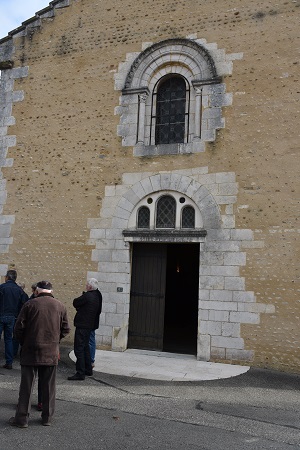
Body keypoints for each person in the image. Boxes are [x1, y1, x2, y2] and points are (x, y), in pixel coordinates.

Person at [9, 280, 70, 428]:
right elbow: (66, 329)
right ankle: (47, 418)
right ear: (51, 291)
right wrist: (55, 340)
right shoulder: (60, 306)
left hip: (30, 351)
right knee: (49, 386)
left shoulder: (30, 305)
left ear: (37, 291)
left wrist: (25, 342)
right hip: (50, 352)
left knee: (26, 386)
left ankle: (22, 419)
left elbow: (18, 328)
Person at [68, 278, 102, 381]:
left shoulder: (87, 296)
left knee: (79, 349)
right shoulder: (97, 296)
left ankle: (80, 372)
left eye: (87, 285)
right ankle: (88, 369)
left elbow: (75, 302)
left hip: (82, 325)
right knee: (86, 347)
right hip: (90, 325)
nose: (86, 286)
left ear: (90, 287)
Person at [0, 269, 28, 369]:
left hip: (1, 315)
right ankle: (9, 362)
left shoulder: (2, 287)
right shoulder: (19, 290)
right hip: (12, 317)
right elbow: (26, 302)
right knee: (8, 340)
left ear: (7, 277)